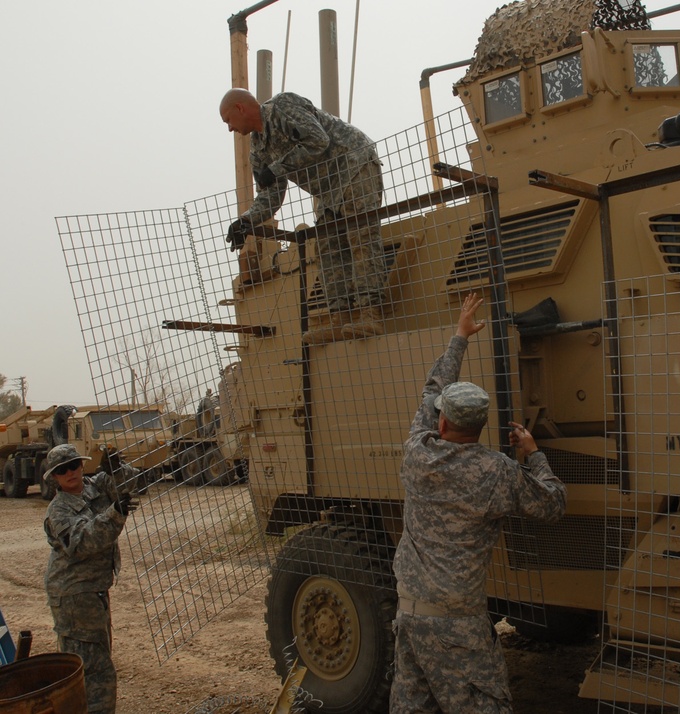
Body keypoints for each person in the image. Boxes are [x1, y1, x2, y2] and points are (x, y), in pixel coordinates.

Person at [390, 293, 567, 713]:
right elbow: (554, 503)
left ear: (443, 421)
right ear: (482, 425)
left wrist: (460, 336)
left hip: (410, 617)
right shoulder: (497, 471)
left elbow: (431, 391)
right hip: (458, 626)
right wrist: (533, 453)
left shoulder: (418, 452)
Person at [219, 87, 387, 341]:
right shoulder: (258, 150)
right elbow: (270, 194)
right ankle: (338, 318)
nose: (230, 129)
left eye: (228, 120)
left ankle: (369, 315)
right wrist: (246, 221)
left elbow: (318, 140)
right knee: (326, 247)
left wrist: (277, 168)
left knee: (361, 238)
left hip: (353, 165)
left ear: (240, 108)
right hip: (326, 189)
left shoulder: (283, 107)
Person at [42, 443, 138, 714]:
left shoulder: (96, 485)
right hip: (73, 596)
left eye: (74, 465)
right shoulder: (58, 511)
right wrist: (115, 512)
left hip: (93, 592)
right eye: (63, 470)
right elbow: (81, 542)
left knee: (97, 662)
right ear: (55, 477)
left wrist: (117, 470)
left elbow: (134, 485)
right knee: (94, 673)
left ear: (82, 465)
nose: (71, 473)